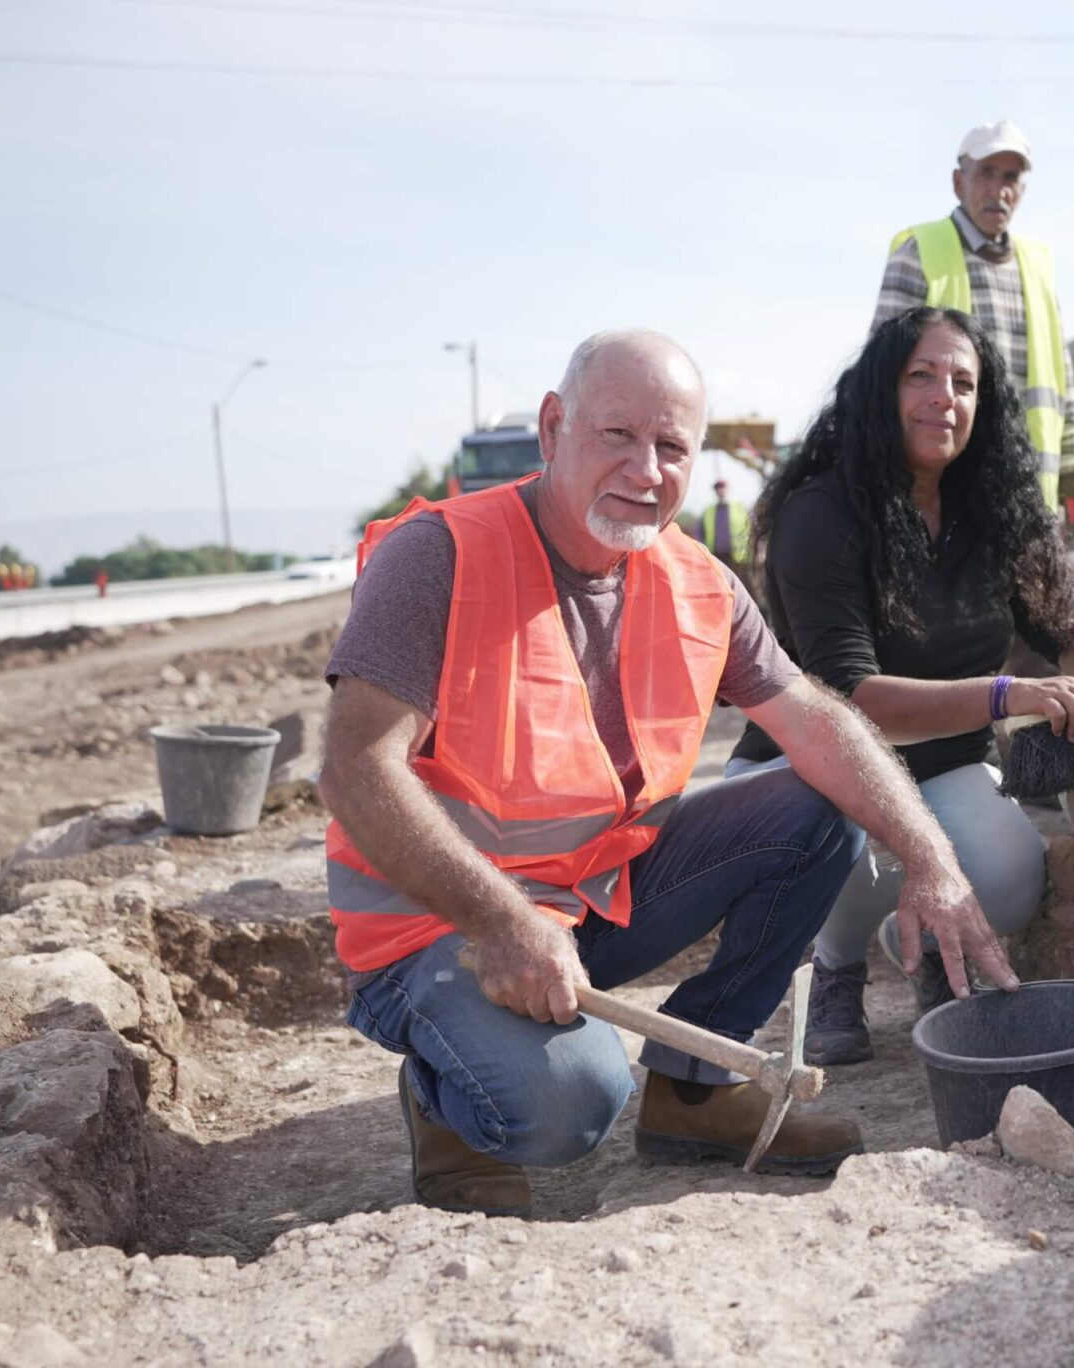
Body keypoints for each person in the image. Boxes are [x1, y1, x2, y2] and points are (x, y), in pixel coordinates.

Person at [318, 330, 1019, 1217]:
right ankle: (445, 1104)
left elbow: (814, 720)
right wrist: (499, 918)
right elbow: (355, 770)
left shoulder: (698, 583)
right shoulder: (441, 556)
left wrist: (932, 858)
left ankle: (695, 1090)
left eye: (672, 446)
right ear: (553, 427)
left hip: (589, 904)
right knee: (570, 1106)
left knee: (818, 807)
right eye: (617, 436)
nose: (646, 471)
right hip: (442, 928)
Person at [728, 307, 1074, 1067]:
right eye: (920, 375)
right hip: (815, 764)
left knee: (1014, 878)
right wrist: (1006, 694)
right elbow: (852, 698)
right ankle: (836, 963)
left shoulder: (993, 507)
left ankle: (916, 937)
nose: (943, 396)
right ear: (882, 389)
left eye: (963, 382)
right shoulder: (821, 514)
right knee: (837, 835)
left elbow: (1061, 627)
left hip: (940, 763)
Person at [875, 119, 1074, 538]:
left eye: (1010, 177)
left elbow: (1062, 382)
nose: (998, 188)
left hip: (1030, 486)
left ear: (1022, 190)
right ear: (960, 182)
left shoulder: (1037, 268)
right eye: (986, 174)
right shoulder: (919, 253)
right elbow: (880, 376)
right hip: (945, 487)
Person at [698, 477, 754, 593]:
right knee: (723, 588)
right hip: (717, 557)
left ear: (728, 489)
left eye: (723, 487)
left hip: (739, 558)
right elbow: (699, 532)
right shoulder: (708, 510)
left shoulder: (740, 507)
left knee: (746, 588)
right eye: (718, 488)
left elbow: (753, 528)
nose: (720, 491)